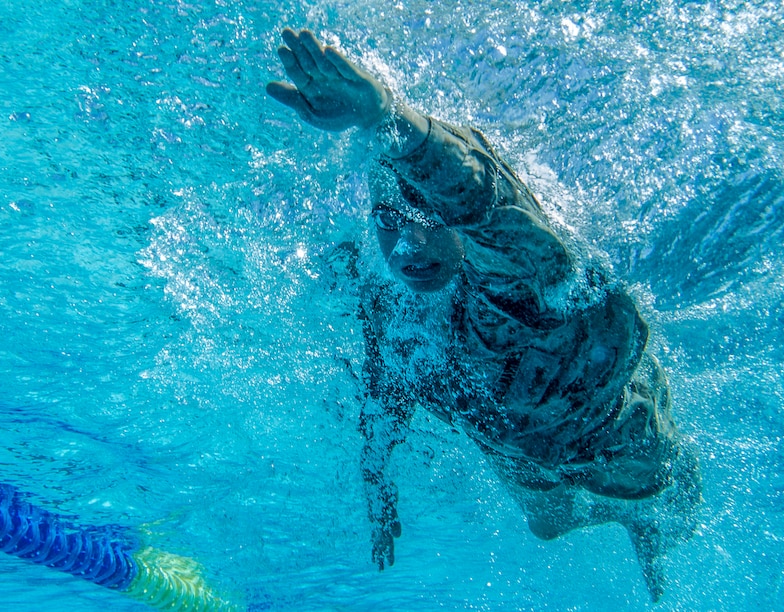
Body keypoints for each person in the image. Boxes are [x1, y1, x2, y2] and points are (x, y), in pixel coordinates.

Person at [266, 28, 702, 602]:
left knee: (658, 504)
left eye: (422, 220)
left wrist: (389, 122)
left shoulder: (513, 279)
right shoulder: (389, 296)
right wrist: (378, 480)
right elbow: (385, 384)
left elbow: (486, 201)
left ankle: (650, 546)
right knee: (550, 526)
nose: (406, 248)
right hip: (519, 453)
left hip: (611, 431)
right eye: (387, 221)